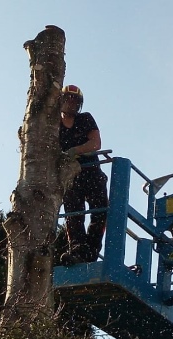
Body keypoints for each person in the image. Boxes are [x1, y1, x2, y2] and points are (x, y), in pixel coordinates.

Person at [59, 84, 108, 265]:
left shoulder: (85, 119)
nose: (71, 103)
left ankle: (91, 251)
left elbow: (95, 143)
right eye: (67, 99)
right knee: (73, 214)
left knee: (100, 212)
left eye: (74, 100)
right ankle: (78, 250)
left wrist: (75, 151)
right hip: (71, 177)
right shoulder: (53, 125)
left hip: (92, 172)